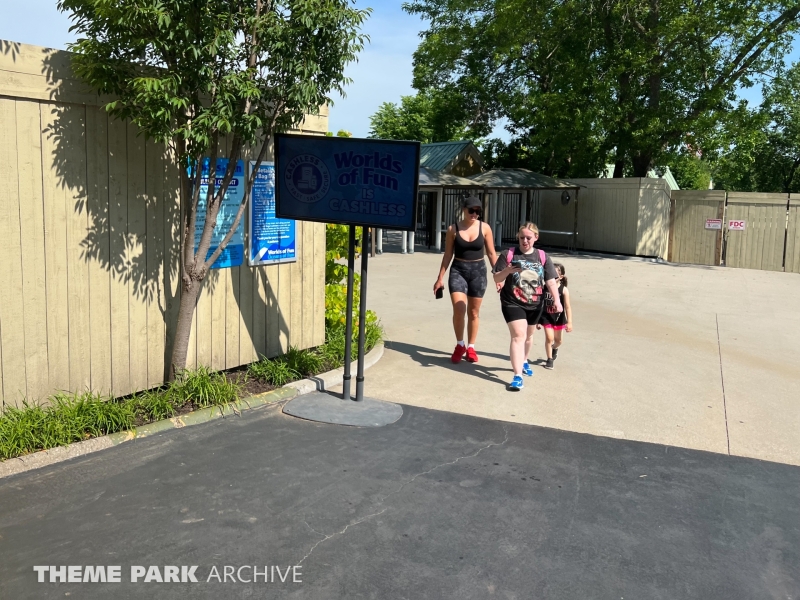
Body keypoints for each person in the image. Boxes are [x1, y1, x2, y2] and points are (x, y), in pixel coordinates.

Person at [493, 223, 563, 390]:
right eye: (522, 237)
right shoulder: (508, 254)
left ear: (536, 238)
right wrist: (508, 271)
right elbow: (497, 279)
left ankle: (524, 360)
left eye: (528, 238)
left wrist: (557, 300)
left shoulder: (542, 256)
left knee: (528, 336)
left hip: (535, 304)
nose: (525, 241)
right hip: (512, 302)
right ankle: (517, 376)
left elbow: (550, 281)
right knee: (518, 335)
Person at [433, 195, 498, 363]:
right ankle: (459, 344)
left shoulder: (485, 228)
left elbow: (491, 253)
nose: (474, 214)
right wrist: (440, 278)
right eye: (471, 210)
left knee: (474, 312)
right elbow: (448, 255)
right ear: (464, 210)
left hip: (478, 271)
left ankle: (471, 347)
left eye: (478, 211)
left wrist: (499, 276)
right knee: (459, 309)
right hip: (458, 270)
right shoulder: (453, 229)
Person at [538, 262, 573, 370]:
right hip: (546, 317)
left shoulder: (564, 290)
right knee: (550, 338)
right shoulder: (544, 288)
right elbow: (539, 304)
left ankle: (554, 349)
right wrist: (537, 320)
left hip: (559, 318)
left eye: (555, 274)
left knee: (559, 341)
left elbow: (567, 307)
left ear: (561, 276)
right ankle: (549, 359)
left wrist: (570, 322)